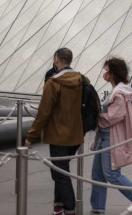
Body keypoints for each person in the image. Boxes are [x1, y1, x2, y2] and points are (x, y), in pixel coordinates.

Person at [25, 48, 86, 215]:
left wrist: (31, 136)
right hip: (76, 134)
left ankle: (69, 209)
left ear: (56, 60)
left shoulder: (53, 83)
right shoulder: (81, 79)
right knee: (60, 169)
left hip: (58, 135)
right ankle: (58, 207)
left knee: (60, 173)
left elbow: (44, 112)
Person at [89, 57, 132, 215]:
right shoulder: (119, 90)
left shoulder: (119, 93)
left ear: (114, 73)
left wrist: (95, 116)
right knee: (97, 174)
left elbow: (112, 117)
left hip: (111, 137)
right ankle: (97, 208)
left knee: (112, 174)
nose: (105, 74)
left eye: (107, 71)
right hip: (105, 137)